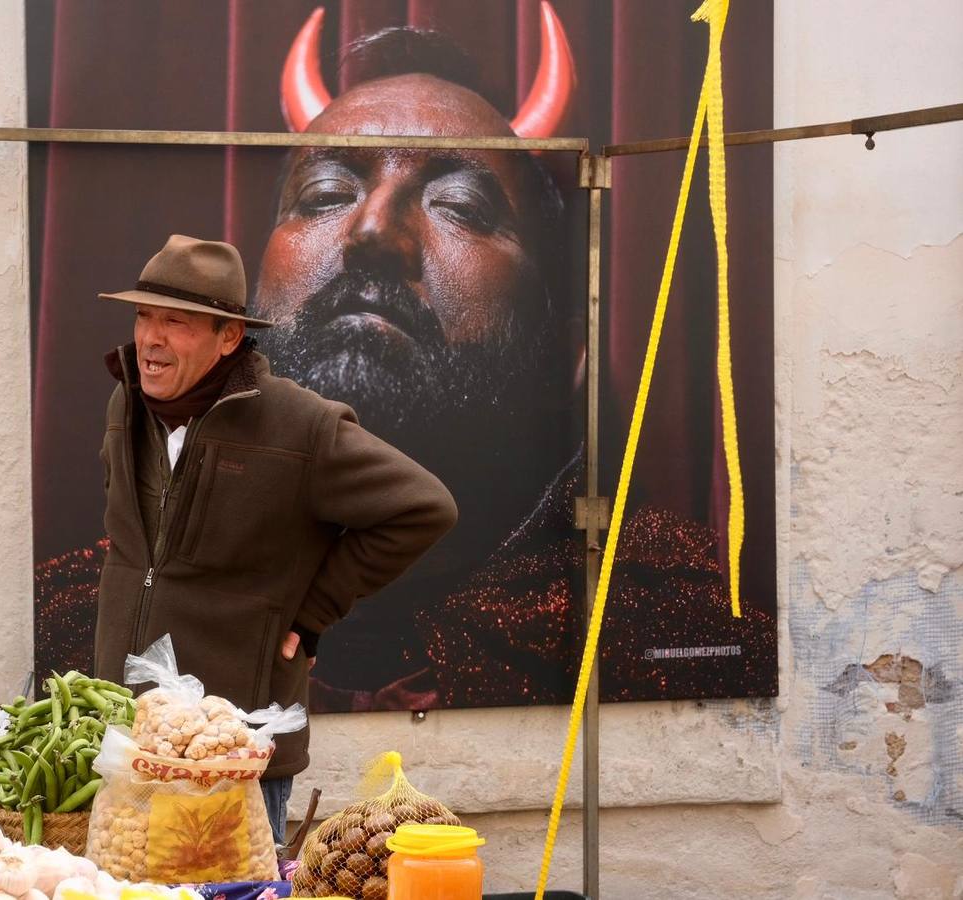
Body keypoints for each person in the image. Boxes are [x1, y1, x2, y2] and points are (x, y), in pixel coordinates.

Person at [253, 26, 777, 710]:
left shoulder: (679, 633)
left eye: (462, 207)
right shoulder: (104, 617)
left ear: (568, 359)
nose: (372, 231)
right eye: (324, 195)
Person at [90, 233, 457, 843]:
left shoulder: (301, 425)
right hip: (125, 739)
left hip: (236, 753)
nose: (149, 339)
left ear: (228, 336)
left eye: (175, 323)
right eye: (143, 316)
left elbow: (425, 507)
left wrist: (313, 613)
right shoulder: (124, 403)